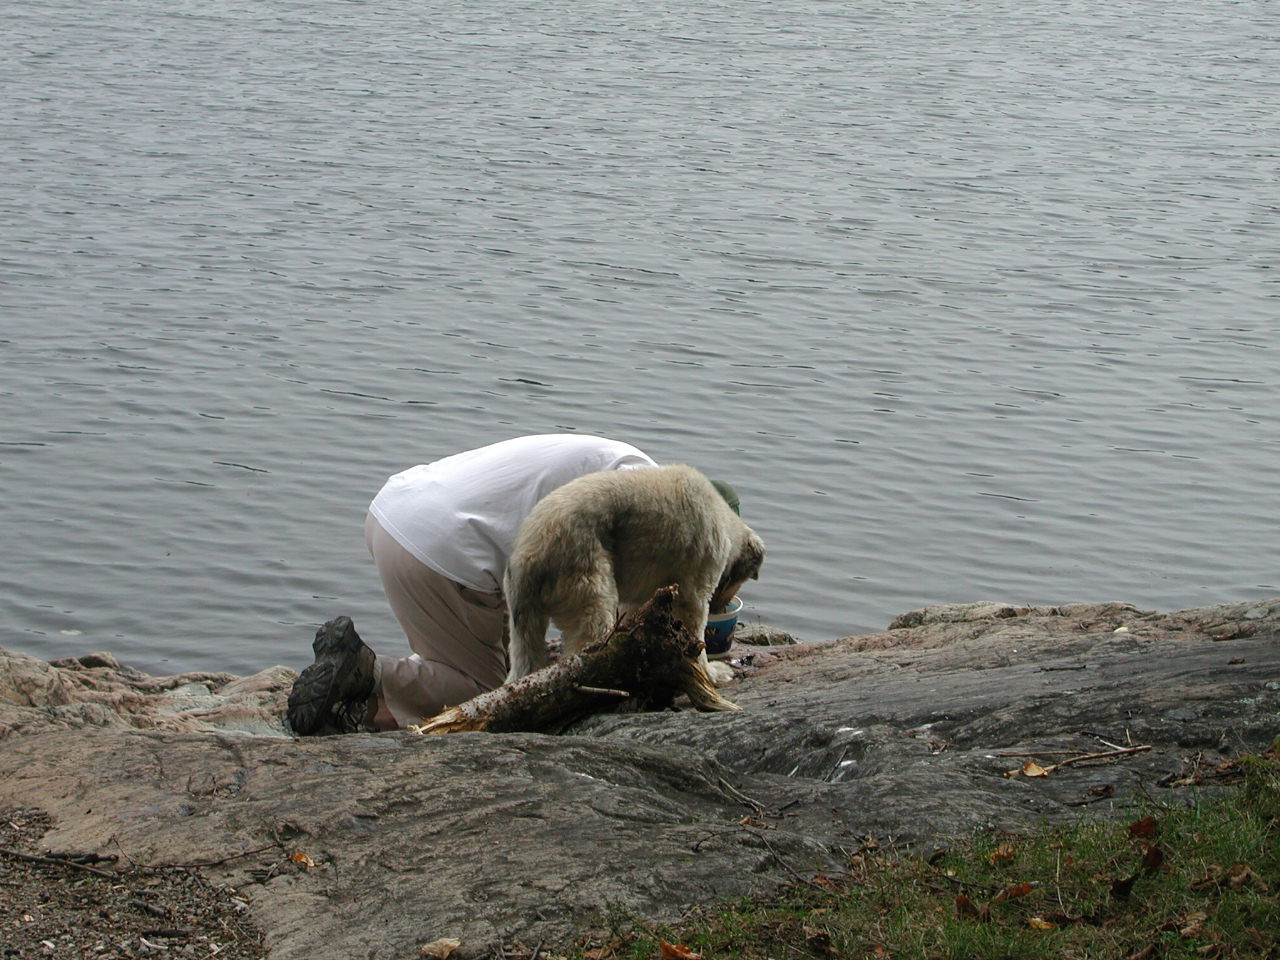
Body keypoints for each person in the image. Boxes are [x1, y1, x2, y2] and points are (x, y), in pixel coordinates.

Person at [288, 434, 684, 735]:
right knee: (488, 694)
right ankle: (367, 672)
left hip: (396, 512)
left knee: (495, 663)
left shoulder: (624, 464)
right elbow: (609, 611)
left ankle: (360, 701)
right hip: (442, 547)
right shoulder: (646, 501)